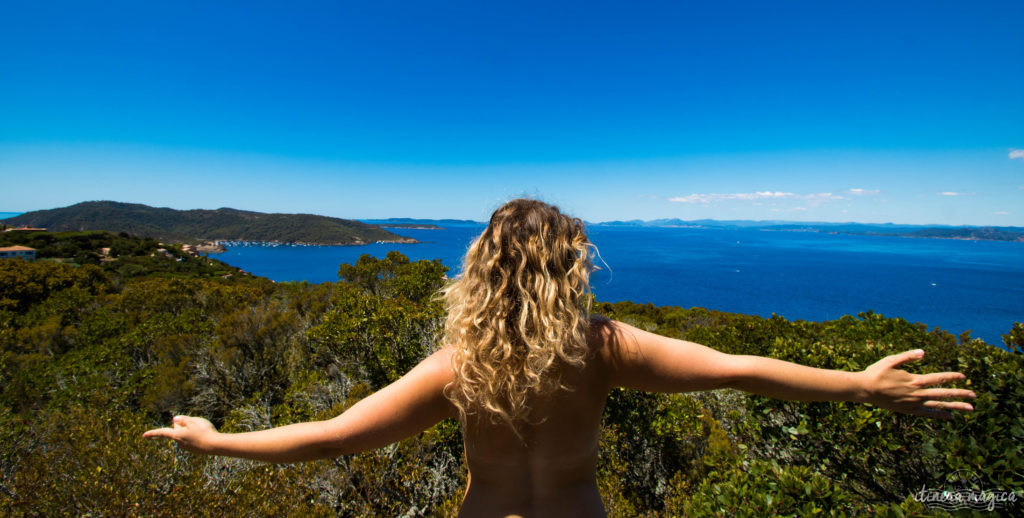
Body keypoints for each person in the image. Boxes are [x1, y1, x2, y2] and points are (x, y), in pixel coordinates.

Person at [144, 198, 976, 517]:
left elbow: (331, 438)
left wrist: (213, 441)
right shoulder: (606, 348)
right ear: (571, 268)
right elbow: (740, 366)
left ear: (479, 269)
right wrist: (861, 388)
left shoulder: (457, 368)